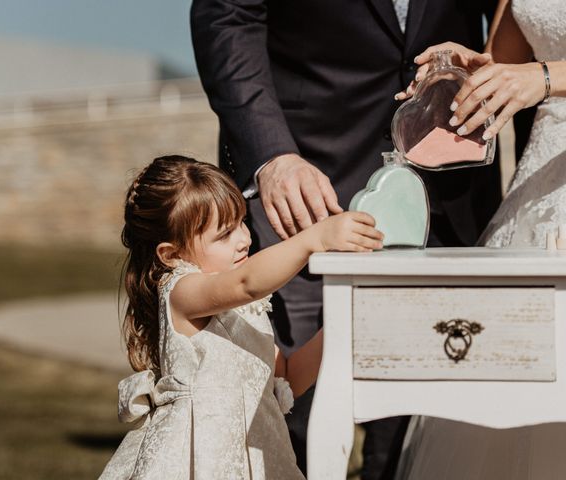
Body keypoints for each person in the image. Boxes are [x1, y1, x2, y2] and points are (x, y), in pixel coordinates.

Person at [190, 0, 501, 477]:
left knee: (424, 416)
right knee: (291, 400)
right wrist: (272, 154)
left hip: (451, 182)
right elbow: (228, 16)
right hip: (306, 181)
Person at [98, 155, 383, 479]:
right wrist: (313, 239)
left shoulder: (243, 310)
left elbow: (289, 378)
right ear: (172, 253)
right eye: (224, 234)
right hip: (203, 464)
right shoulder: (180, 291)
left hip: (257, 459)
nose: (244, 239)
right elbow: (246, 282)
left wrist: (341, 322)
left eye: (242, 223)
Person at [394, 1, 566, 478]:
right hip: (539, 185)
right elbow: (507, 62)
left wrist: (546, 78)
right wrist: (472, 71)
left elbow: (535, 74)